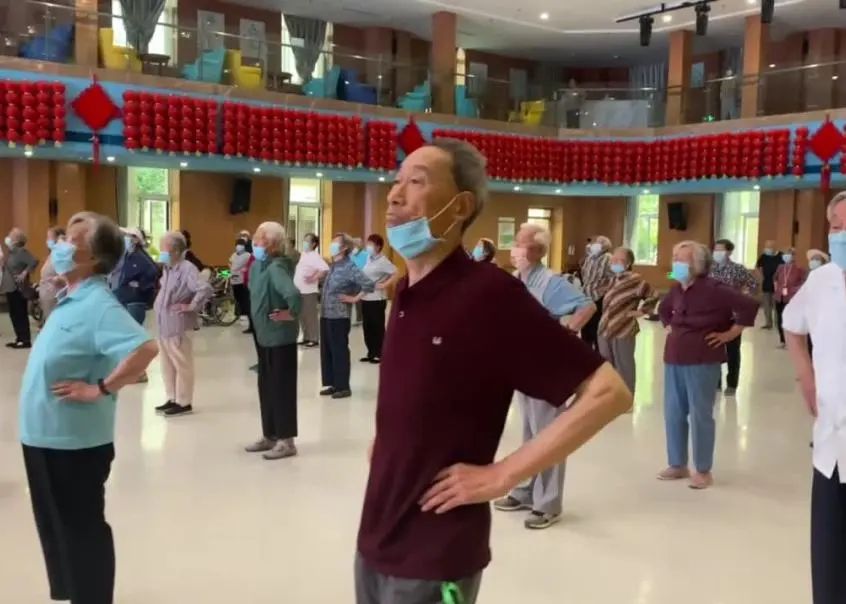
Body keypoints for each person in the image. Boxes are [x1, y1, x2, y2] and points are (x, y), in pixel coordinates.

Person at [355, 139, 631, 604]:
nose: (395, 195)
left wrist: (503, 474)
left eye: (416, 181)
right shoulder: (405, 291)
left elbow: (610, 393)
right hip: (378, 536)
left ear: (461, 206)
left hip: (435, 555)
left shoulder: (488, 295)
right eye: (396, 181)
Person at [19, 211, 158, 604]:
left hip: (74, 444)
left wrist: (100, 388)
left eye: (71, 241)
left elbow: (145, 348)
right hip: (43, 437)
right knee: (57, 530)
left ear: (94, 258)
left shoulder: (99, 304)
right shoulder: (71, 298)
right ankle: (73, 593)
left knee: (81, 532)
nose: (60, 246)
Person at [492, 223, 596, 530]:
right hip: (523, 365)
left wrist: (567, 331)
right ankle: (527, 490)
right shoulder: (517, 278)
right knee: (530, 434)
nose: (515, 249)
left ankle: (548, 503)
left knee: (550, 436)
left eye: (520, 243)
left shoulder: (551, 282)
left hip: (547, 367)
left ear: (537, 250)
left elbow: (587, 306)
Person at [783, 191, 846, 604]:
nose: (840, 235)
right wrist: (805, 374)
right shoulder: (823, 280)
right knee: (829, 562)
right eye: (836, 227)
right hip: (831, 446)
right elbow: (792, 325)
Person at [658, 241, 758, 490]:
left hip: (702, 359)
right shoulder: (677, 288)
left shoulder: (715, 289)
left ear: (697, 264)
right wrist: (668, 325)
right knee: (673, 412)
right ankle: (677, 463)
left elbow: (749, 305)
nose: (676, 263)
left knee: (700, 414)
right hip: (674, 357)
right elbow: (664, 309)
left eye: (681, 259)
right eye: (674, 257)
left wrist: (730, 334)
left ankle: (702, 469)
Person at [244, 222, 302, 460]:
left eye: (259, 238)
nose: (255, 242)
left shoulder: (277, 267)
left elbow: (293, 294)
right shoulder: (258, 266)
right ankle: (270, 434)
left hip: (280, 337)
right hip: (264, 335)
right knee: (266, 387)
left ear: (271, 243)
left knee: (281, 388)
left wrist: (291, 314)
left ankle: (286, 441)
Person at [152, 232, 212, 417]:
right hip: (164, 324)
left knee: (181, 363)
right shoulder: (168, 268)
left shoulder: (187, 269)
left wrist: (191, 306)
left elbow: (204, 288)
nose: (161, 252)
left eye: (164, 249)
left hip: (178, 325)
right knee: (167, 364)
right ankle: (172, 397)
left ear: (176, 251)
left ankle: (184, 402)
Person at [597, 246, 658, 403]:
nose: (615, 262)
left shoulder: (636, 280)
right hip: (605, 327)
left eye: (620, 260)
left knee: (624, 365)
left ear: (628, 263)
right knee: (606, 364)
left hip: (623, 328)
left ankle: (627, 399)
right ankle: (611, 396)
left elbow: (653, 295)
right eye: (614, 259)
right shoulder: (612, 280)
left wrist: (641, 311)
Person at [320, 233, 374, 399]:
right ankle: (333, 383)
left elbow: (368, 284)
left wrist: (354, 298)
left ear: (344, 248)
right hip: (326, 313)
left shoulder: (349, 266)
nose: (332, 245)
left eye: (335, 243)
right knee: (328, 350)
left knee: (339, 351)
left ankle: (343, 386)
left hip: (339, 315)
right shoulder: (334, 265)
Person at [709, 238, 758, 396]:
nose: (717, 252)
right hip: (712, 314)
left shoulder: (737, 269)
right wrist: (673, 272)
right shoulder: (708, 268)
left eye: (721, 250)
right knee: (714, 347)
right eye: (715, 249)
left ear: (729, 252)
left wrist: (743, 296)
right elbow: (679, 276)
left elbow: (753, 284)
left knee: (733, 351)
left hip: (733, 316)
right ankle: (715, 381)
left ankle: (732, 384)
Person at [360, 234, 399, 364]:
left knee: (377, 326)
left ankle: (380, 353)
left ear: (378, 246)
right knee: (367, 327)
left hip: (377, 299)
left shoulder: (383, 261)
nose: (368, 246)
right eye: (368, 244)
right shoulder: (368, 258)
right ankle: (371, 352)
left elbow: (396, 272)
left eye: (371, 244)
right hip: (366, 297)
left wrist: (384, 285)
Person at [110, 227, 158, 326]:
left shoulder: (140, 256)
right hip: (125, 299)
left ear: (136, 239)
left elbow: (152, 271)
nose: (124, 238)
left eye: (127, 236)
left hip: (134, 302)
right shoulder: (128, 255)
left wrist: (139, 287)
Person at [1, 227, 38, 349]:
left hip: (17, 288)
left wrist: (25, 273)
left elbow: (34, 261)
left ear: (16, 240)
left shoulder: (21, 252)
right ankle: (19, 338)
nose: (8, 238)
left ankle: (25, 340)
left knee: (20, 314)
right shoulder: (12, 252)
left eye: (10, 236)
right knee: (14, 314)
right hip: (10, 287)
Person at [293, 232, 329, 348]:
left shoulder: (315, 256)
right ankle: (306, 337)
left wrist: (313, 278)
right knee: (302, 316)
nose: (304, 243)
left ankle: (314, 338)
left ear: (313, 244)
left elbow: (325, 269)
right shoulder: (304, 254)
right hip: (300, 290)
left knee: (310, 316)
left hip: (309, 291)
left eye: (307, 241)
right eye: (304, 240)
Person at [580, 234, 613, 351]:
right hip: (586, 296)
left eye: (599, 242)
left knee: (596, 327)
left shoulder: (608, 258)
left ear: (604, 245)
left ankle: (598, 352)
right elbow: (584, 274)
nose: (595, 244)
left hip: (599, 296)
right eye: (595, 242)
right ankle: (586, 351)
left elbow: (613, 277)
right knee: (585, 326)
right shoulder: (590, 257)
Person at [773, 247, 806, 349]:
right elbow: (775, 279)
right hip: (779, 297)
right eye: (786, 254)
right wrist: (777, 288)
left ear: (794, 256)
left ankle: (791, 341)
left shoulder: (799, 269)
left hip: (791, 297)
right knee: (780, 319)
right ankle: (782, 340)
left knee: (790, 319)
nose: (787, 256)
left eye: (790, 254)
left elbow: (803, 282)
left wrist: (794, 290)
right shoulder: (780, 267)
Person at [38, 226, 67, 322]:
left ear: (58, 238)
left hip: (55, 295)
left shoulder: (61, 254)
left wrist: (57, 279)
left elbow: (65, 274)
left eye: (49, 237)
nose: (47, 240)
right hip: (47, 295)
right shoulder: (52, 254)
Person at [755, 240, 783, 330]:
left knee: (777, 305)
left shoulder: (781, 256)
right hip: (766, 283)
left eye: (770, 247)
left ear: (774, 247)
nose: (768, 249)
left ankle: (778, 323)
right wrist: (761, 276)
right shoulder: (763, 256)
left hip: (778, 284)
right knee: (767, 305)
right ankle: (768, 323)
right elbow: (757, 267)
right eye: (766, 247)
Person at [230, 237, 253, 333]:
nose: (239, 247)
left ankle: (252, 325)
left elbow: (236, 267)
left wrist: (237, 270)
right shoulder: (233, 255)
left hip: (242, 282)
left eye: (241, 245)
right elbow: (231, 265)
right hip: (234, 282)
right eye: (237, 245)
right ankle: (243, 317)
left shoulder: (247, 255)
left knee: (246, 303)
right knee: (239, 302)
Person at [351, 237, 368, 326]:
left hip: (362, 279)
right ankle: (356, 318)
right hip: (352, 280)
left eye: (357, 244)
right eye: (354, 244)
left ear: (361, 245)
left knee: (360, 300)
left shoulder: (366, 254)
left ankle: (360, 318)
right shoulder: (351, 255)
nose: (355, 246)